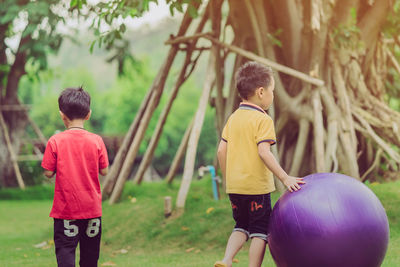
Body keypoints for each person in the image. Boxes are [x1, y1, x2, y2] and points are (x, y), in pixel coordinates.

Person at [214, 62, 305, 267]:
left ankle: (227, 260)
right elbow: (264, 152)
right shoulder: (263, 120)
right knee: (260, 231)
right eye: (272, 90)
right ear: (261, 92)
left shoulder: (233, 118)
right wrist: (284, 177)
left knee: (241, 226)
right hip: (257, 188)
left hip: (235, 187)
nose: (273, 95)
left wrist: (230, 180)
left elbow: (221, 151)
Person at [41, 87, 109, 267]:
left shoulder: (55, 141)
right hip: (92, 210)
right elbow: (104, 171)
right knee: (90, 256)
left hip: (66, 211)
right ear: (88, 114)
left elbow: (48, 172)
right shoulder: (97, 141)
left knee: (65, 251)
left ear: (62, 115)